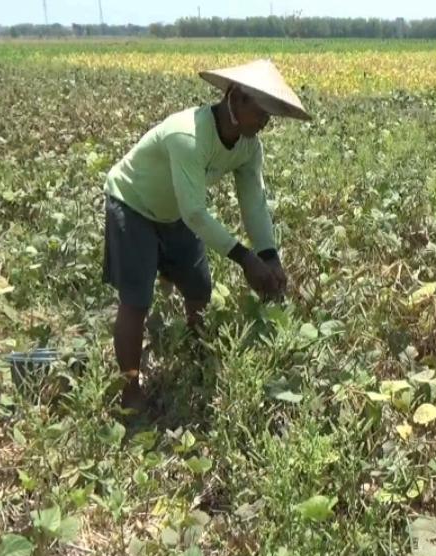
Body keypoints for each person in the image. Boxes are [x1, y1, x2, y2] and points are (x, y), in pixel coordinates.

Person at [101, 59, 312, 410]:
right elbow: (195, 212)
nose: (265, 122)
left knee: (199, 288)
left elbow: (254, 202)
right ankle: (130, 390)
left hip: (176, 212)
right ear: (236, 98)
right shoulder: (189, 135)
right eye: (261, 111)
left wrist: (269, 255)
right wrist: (245, 260)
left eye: (270, 115)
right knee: (136, 300)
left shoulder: (248, 147)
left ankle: (197, 357)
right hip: (133, 203)